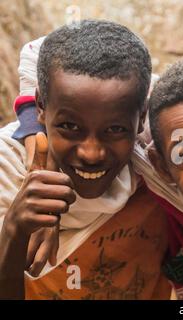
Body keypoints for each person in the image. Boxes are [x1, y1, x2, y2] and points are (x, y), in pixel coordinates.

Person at [0, 20, 171, 300]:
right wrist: (12, 232)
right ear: (40, 106)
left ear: (141, 118)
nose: (91, 153)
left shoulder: (159, 157)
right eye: (70, 127)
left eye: (115, 130)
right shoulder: (8, 168)